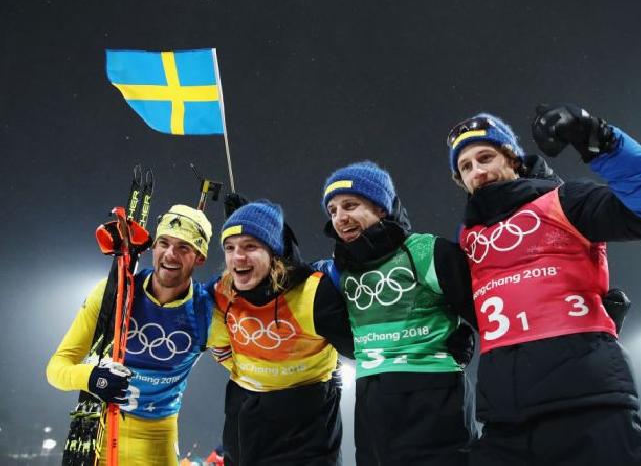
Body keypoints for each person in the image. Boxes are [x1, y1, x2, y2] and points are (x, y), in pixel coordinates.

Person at [446, 104, 641, 465]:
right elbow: (475, 306)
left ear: (513, 158)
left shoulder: (563, 201)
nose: (478, 171)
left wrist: (602, 141)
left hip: (588, 408)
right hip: (505, 423)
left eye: (485, 157)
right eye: (466, 167)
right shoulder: (467, 238)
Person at [319, 161, 478, 466]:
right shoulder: (339, 270)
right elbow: (287, 277)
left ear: (381, 208)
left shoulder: (427, 251)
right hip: (372, 404)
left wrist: (465, 336)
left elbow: (483, 308)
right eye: (333, 211)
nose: (340, 218)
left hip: (434, 399)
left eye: (350, 205)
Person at [47, 204, 215, 465]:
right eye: (164, 243)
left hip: (159, 437)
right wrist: (93, 378)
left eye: (183, 247)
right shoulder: (113, 293)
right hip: (105, 430)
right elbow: (56, 369)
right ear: (153, 247)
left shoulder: (208, 311)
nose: (170, 254)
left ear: (200, 256)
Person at [207, 200, 353, 466]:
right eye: (230, 248)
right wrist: (259, 371)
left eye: (250, 246)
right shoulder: (221, 294)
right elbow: (218, 347)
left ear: (274, 252)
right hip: (247, 415)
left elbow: (361, 346)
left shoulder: (313, 293)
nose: (237, 257)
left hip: (307, 421)